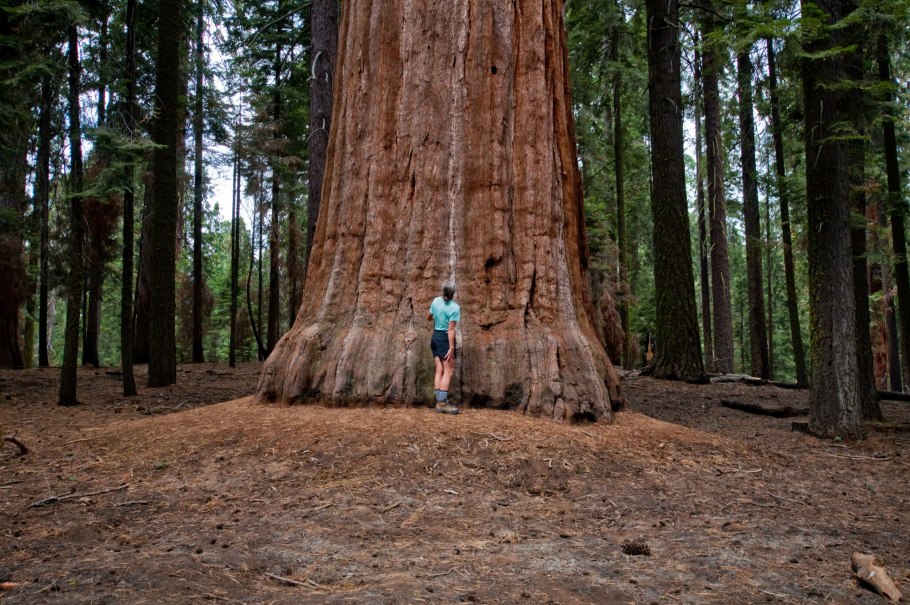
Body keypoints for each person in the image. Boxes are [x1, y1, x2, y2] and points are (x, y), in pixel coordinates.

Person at [427, 282, 461, 414]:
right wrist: (451, 347)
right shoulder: (454, 307)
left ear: (443, 292)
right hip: (444, 339)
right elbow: (451, 329)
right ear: (453, 294)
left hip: (435, 337)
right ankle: (442, 403)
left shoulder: (436, 301)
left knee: (439, 369)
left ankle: (438, 401)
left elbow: (428, 317)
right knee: (448, 371)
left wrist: (437, 314)